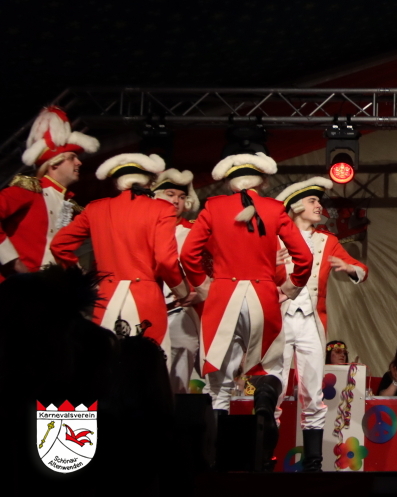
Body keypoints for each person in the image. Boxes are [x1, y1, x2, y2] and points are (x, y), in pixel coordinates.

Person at [179, 151, 312, 472]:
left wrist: (203, 284)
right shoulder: (275, 208)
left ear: (230, 182)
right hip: (263, 296)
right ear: (261, 182)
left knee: (219, 384)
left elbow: (188, 254)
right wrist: (291, 286)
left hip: (223, 296)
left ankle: (214, 461)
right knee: (269, 366)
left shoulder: (213, 207)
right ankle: (263, 406)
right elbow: (304, 258)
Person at [51, 152, 193, 353]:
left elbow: (59, 245)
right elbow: (165, 259)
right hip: (146, 297)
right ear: (147, 181)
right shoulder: (161, 209)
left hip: (106, 297)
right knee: (149, 362)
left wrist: (83, 276)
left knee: (105, 359)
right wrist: (183, 292)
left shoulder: (95, 208)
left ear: (117, 182)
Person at [274, 177, 369, 473]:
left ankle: (313, 464)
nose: (319, 206)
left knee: (313, 393)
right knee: (274, 389)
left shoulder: (327, 241)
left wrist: (349, 267)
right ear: (295, 206)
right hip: (279, 320)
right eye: (313, 201)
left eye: (319, 201)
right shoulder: (274, 239)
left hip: (311, 321)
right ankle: (264, 460)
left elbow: (361, 270)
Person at [0, 106, 99, 279]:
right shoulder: (29, 191)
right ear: (54, 163)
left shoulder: (67, 203)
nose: (79, 162)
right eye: (72, 157)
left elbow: (60, 247)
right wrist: (13, 261)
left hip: (50, 287)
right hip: (17, 286)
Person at [151, 168, 205, 393]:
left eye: (182, 197)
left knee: (179, 379)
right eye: (170, 194)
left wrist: (199, 293)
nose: (176, 201)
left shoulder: (196, 231)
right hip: (148, 307)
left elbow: (214, 268)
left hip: (183, 312)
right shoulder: (145, 226)